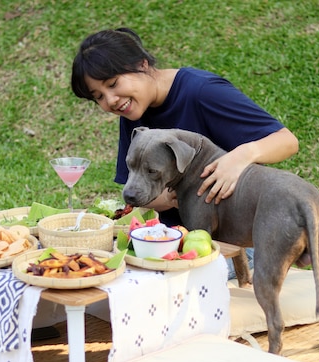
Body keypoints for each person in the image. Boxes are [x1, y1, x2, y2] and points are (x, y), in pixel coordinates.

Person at [70, 28, 299, 278]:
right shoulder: (132, 110)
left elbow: (286, 141)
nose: (111, 101)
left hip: (234, 244)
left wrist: (240, 156)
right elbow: (135, 192)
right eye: (98, 97)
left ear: (142, 64)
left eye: (113, 84)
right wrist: (172, 197)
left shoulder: (203, 92)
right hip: (170, 239)